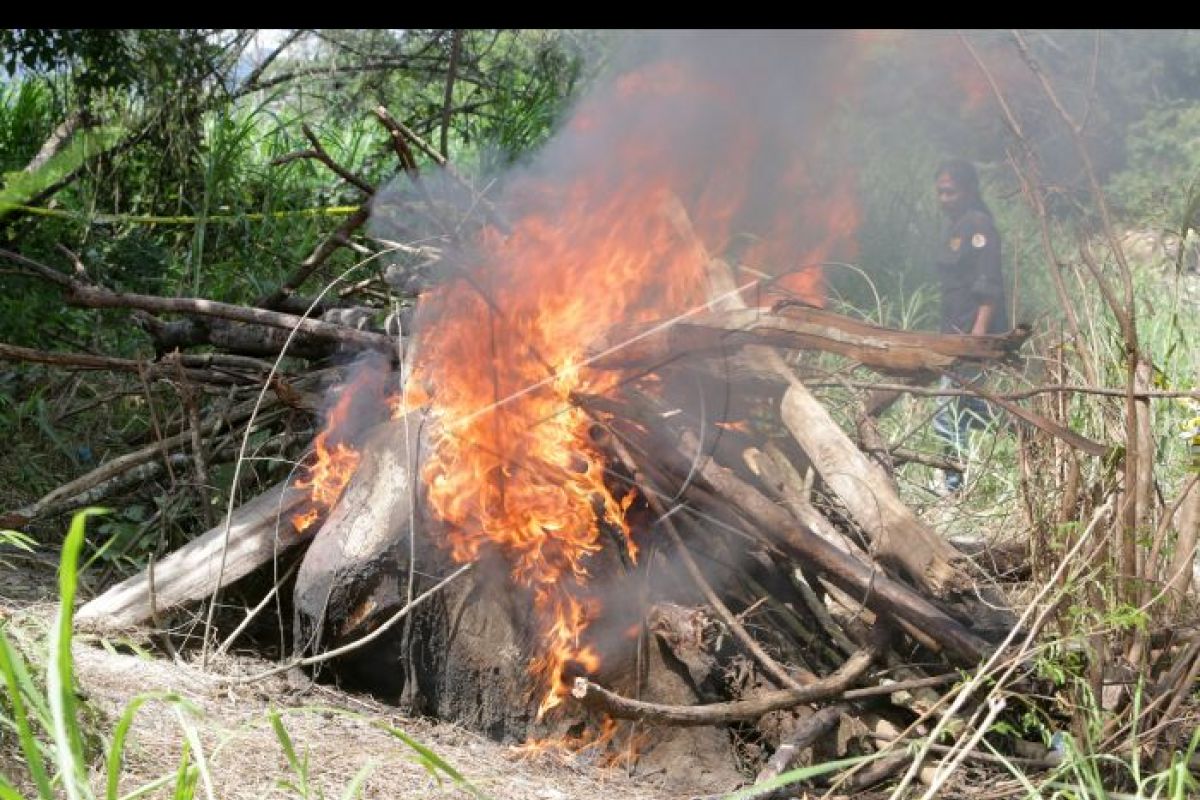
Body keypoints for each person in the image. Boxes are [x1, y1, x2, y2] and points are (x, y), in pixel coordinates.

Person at [931, 158, 1008, 493]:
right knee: (972, 408)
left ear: (969, 191)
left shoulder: (979, 226)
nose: (944, 199)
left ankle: (952, 487)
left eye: (951, 192)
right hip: (954, 334)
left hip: (970, 337)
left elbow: (988, 287)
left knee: (946, 411)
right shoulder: (958, 225)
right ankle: (1022, 430)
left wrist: (976, 340)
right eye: (940, 193)